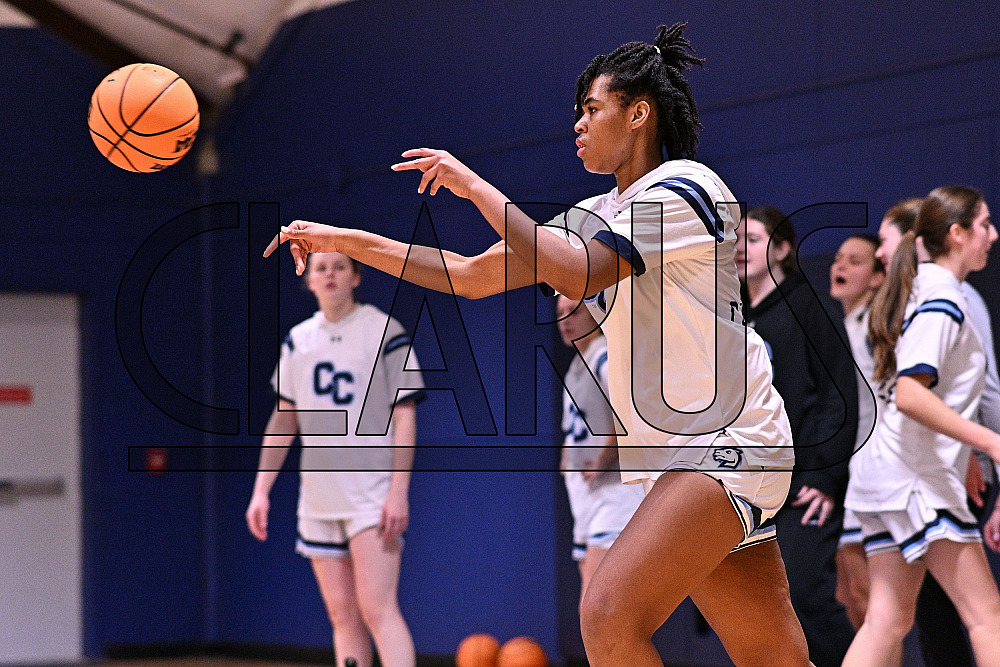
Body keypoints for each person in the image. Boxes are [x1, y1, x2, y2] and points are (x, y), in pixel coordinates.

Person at [265, 22, 813, 667]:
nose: (577, 124)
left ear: (639, 114)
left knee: (606, 615)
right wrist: (347, 241)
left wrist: (473, 185)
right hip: (680, 453)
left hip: (726, 442)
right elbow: (469, 276)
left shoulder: (685, 189)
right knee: (771, 659)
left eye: (591, 109)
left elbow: (578, 272)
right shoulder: (596, 211)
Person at [843, 186, 1000, 666]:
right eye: (985, 224)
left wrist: (967, 453)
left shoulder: (923, 292)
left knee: (886, 621)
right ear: (956, 234)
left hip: (885, 473)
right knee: (987, 615)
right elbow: (911, 394)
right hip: (915, 477)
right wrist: (991, 443)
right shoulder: (943, 297)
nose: (993, 234)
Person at [245, 252, 425, 667]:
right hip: (318, 496)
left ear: (356, 277)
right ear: (307, 280)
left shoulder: (383, 330)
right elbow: (283, 420)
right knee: (341, 615)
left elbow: (406, 414)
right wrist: (261, 491)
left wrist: (399, 493)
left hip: (370, 493)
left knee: (378, 609)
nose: (329, 274)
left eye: (339, 266)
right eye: (320, 268)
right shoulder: (298, 339)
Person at [735, 206, 858, 667]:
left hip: (805, 483)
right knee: (763, 606)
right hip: (754, 485)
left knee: (807, 593)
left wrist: (825, 477)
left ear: (782, 249)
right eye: (736, 241)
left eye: (752, 239)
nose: (740, 250)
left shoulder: (811, 308)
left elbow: (839, 396)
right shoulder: (737, 318)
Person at [555, 294, 644, 612]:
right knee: (598, 609)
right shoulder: (577, 366)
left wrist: (606, 454)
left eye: (574, 311)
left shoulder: (606, 356)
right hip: (586, 497)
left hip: (614, 494)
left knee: (597, 610)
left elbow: (630, 412)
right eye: (560, 312)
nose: (566, 319)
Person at [828, 233, 885, 631]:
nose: (841, 266)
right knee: (847, 593)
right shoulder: (845, 325)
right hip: (851, 469)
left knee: (870, 600)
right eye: (837, 258)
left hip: (876, 467)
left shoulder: (874, 327)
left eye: (855, 260)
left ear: (879, 276)